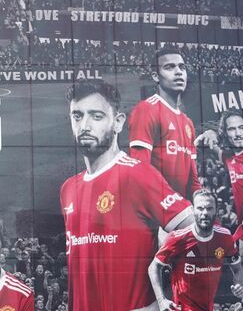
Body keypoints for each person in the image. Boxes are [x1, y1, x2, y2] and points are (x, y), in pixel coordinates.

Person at [60, 79, 194, 311]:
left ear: (118, 123)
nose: (85, 126)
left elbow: (196, 230)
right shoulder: (68, 189)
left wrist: (161, 294)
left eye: (96, 116)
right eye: (77, 116)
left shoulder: (138, 175)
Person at [148, 189, 243, 311]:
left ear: (216, 211)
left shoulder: (225, 238)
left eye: (209, 208)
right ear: (193, 210)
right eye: (200, 208)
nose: (204, 213)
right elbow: (154, 267)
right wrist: (161, 301)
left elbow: (237, 268)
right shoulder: (178, 238)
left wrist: (239, 285)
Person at [129, 47, 201, 200]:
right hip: (157, 214)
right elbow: (140, 172)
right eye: (169, 67)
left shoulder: (188, 123)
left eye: (182, 67)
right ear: (156, 76)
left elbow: (194, 181)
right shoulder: (146, 109)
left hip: (181, 214)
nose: (178, 72)